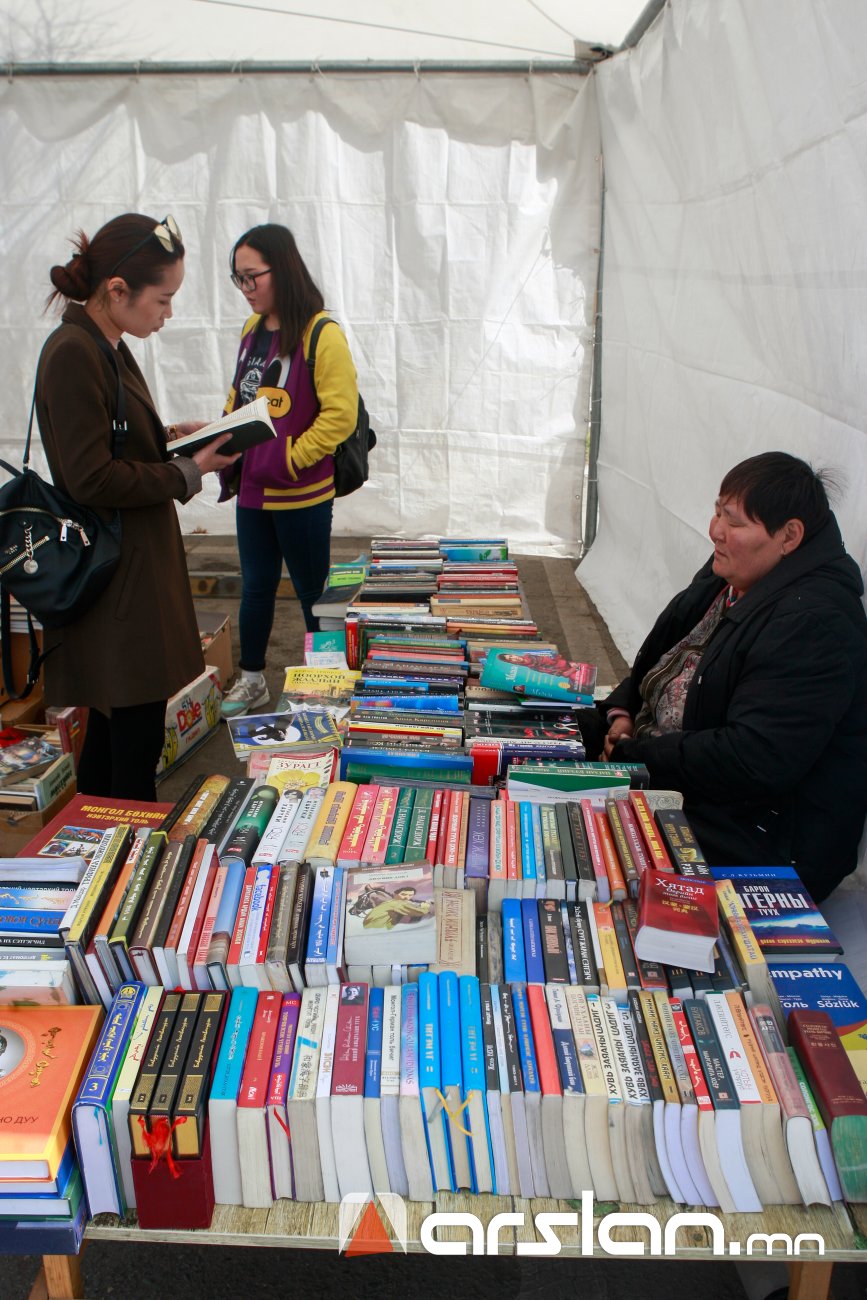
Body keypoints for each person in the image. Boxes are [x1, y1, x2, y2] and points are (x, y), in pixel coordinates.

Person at [586, 452, 867, 901]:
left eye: (733, 521)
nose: (715, 529)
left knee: (580, 839)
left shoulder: (814, 621)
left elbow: (753, 759)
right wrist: (623, 709)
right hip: (668, 762)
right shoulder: (735, 569)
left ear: (789, 536)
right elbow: (663, 654)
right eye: (718, 511)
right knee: (538, 745)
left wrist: (636, 756)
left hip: (760, 835)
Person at [35, 213, 238, 801]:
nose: (167, 314)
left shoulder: (106, 343)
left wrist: (174, 437)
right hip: (116, 581)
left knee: (119, 727)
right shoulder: (74, 352)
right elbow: (90, 476)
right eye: (163, 299)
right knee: (132, 737)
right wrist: (188, 471)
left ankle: (102, 831)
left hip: (131, 567)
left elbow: (113, 439)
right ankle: (127, 842)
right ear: (118, 289)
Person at [218, 224, 359, 719]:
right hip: (253, 492)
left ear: (282, 269)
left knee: (313, 594)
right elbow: (240, 397)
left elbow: (340, 416)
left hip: (303, 495)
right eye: (238, 278)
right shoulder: (251, 332)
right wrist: (218, 435)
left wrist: (291, 457)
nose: (245, 288)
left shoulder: (322, 333)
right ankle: (252, 678)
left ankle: (326, 685)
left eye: (251, 276)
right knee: (255, 587)